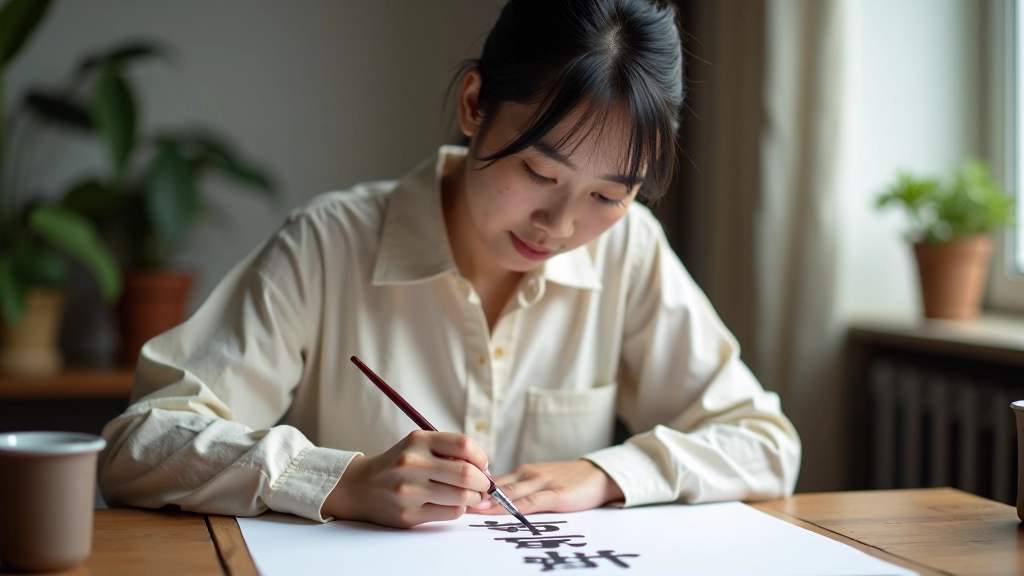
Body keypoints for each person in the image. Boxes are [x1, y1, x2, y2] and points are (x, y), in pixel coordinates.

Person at [99, 0, 801, 529]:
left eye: (608, 195)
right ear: (474, 104)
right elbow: (139, 444)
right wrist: (337, 481)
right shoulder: (328, 244)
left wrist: (606, 473)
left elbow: (767, 446)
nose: (559, 226)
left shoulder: (629, 249)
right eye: (536, 171)